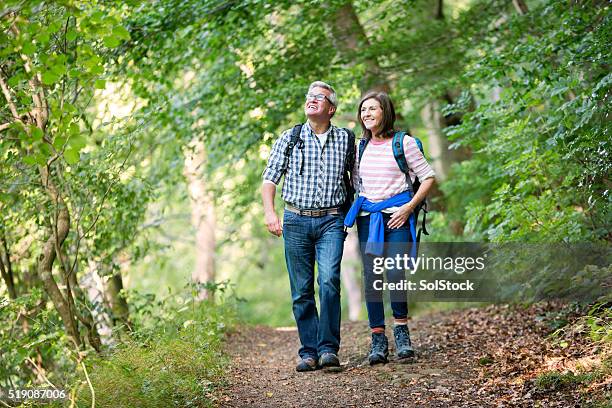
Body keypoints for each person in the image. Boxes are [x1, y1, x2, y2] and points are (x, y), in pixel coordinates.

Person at [262, 81, 354, 372]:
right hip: (295, 220)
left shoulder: (346, 139)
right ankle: (308, 352)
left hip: (331, 220)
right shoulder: (289, 137)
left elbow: (358, 179)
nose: (312, 100)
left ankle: (328, 349)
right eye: (309, 96)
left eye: (319, 97)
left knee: (328, 282)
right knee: (301, 290)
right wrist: (269, 213)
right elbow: (269, 179)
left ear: (331, 108)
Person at [344, 91, 435, 365]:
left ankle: (402, 332)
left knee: (395, 271)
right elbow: (356, 184)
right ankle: (378, 339)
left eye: (372, 109)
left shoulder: (403, 143)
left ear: (385, 111)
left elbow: (428, 177)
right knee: (373, 277)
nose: (366, 114)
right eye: (363, 110)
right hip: (369, 218)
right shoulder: (359, 147)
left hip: (398, 215)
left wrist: (409, 208)